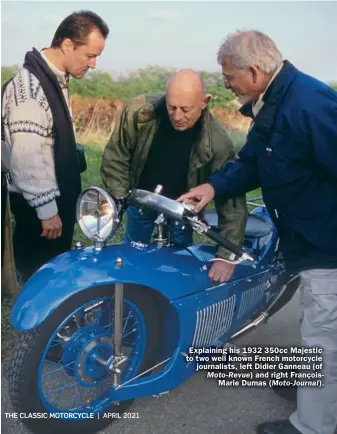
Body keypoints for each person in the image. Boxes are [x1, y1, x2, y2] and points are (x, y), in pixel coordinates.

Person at [177, 30, 337, 434]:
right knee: (321, 324)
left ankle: (313, 426)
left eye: (229, 75)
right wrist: (211, 187)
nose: (226, 82)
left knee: (324, 331)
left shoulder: (308, 104)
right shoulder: (272, 104)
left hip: (327, 241)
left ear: (253, 71)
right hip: (307, 236)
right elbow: (251, 162)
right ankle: (315, 387)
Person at [100, 69, 248, 283]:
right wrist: (123, 197)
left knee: (178, 270)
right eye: (172, 107)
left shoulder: (218, 141)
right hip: (140, 201)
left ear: (204, 102)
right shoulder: (139, 111)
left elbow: (232, 200)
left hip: (182, 212)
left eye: (186, 110)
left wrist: (227, 256)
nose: (177, 117)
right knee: (131, 263)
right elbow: (116, 156)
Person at [1, 10, 109, 282]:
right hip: (39, 211)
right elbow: (26, 157)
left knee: (49, 270)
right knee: (39, 276)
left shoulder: (52, 80)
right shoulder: (30, 90)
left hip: (50, 203)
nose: (94, 64)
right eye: (90, 55)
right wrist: (47, 211)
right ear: (68, 44)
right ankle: (35, 323)